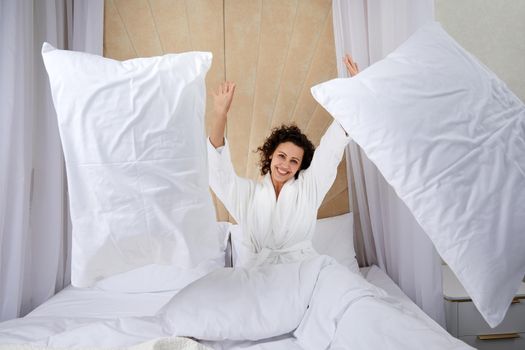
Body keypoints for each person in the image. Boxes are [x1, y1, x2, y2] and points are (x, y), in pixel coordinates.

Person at [208, 54, 359, 267]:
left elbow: (332, 148)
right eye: (281, 156)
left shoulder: (310, 187)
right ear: (270, 155)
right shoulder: (248, 195)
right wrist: (220, 114)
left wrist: (355, 93)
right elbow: (219, 173)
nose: (285, 165)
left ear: (300, 166)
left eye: (294, 161)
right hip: (258, 277)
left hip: (302, 272)